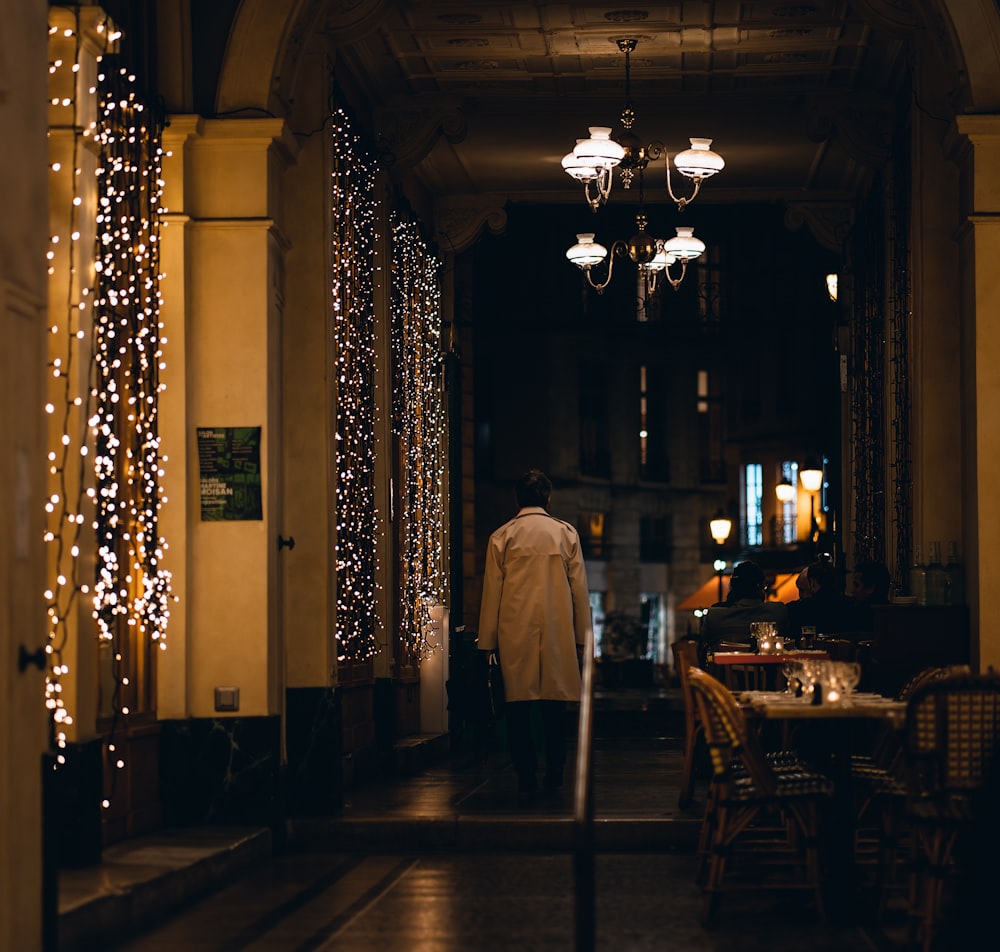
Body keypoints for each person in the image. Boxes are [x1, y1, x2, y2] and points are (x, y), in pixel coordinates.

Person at [477, 469, 592, 795]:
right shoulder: (565, 534)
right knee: (555, 707)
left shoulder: (502, 536)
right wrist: (582, 637)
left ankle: (526, 774)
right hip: (557, 632)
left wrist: (487, 642)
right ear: (548, 498)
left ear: (517, 498)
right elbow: (579, 591)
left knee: (518, 708)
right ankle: (556, 772)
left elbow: (491, 593)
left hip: (514, 631)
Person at [700, 560, 790, 651]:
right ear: (760, 587)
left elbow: (704, 646)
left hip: (727, 664)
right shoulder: (778, 612)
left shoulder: (714, 616)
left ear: (732, 588)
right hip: (766, 664)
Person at [786, 558, 854, 639]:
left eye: (802, 590)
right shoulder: (852, 606)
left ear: (813, 583)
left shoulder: (799, 610)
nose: (800, 595)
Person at [848, 558, 891, 632]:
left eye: (856, 585)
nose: (852, 590)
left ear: (870, 588)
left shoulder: (860, 618)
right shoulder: (891, 615)